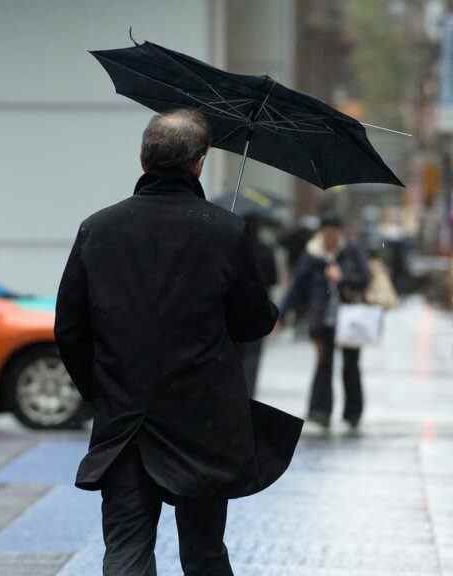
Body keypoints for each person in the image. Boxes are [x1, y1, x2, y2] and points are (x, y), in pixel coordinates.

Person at [55, 109, 301, 576]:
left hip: (125, 423)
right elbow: (253, 323)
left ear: (143, 158)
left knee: (126, 552)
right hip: (204, 427)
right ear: (199, 163)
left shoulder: (98, 229)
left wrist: (102, 389)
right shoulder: (225, 231)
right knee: (204, 554)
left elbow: (69, 328)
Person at [279, 214, 371, 430]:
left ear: (340, 232)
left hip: (350, 319)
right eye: (327, 232)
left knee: (351, 366)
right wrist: (281, 314)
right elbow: (297, 287)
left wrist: (342, 277)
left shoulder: (351, 251)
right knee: (323, 364)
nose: (331, 237)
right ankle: (320, 411)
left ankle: (353, 413)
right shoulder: (312, 254)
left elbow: (365, 279)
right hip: (322, 319)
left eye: (335, 232)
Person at [237, 214, 279, 397]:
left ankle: (236, 392)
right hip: (258, 308)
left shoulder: (232, 247)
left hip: (235, 310)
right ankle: (249, 393)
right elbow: (274, 279)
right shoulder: (265, 249)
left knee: (236, 356)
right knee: (253, 356)